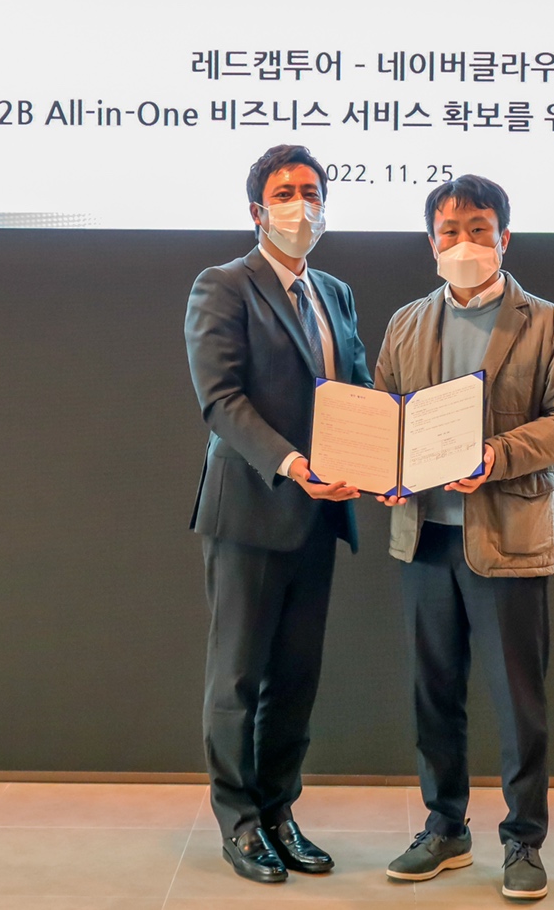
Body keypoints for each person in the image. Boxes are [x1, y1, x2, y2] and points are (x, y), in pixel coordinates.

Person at [374, 175, 554, 901]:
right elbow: (383, 417)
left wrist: (495, 456)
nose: (463, 242)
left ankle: (523, 840)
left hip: (507, 540)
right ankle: (445, 827)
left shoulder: (548, 323)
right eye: (449, 230)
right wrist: (381, 470)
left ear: (505, 237)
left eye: (478, 229)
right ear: (430, 241)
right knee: (433, 694)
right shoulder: (407, 323)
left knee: (517, 702)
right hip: (424, 537)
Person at [184, 144, 371, 884]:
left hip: (320, 517)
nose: (302, 204)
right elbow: (221, 400)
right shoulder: (223, 285)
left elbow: (356, 392)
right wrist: (294, 464)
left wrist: (383, 463)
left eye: (312, 191)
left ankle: (279, 812)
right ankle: (238, 823)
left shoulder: (336, 292)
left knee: (295, 679)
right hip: (252, 510)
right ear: (257, 211)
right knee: (239, 678)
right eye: (286, 192)